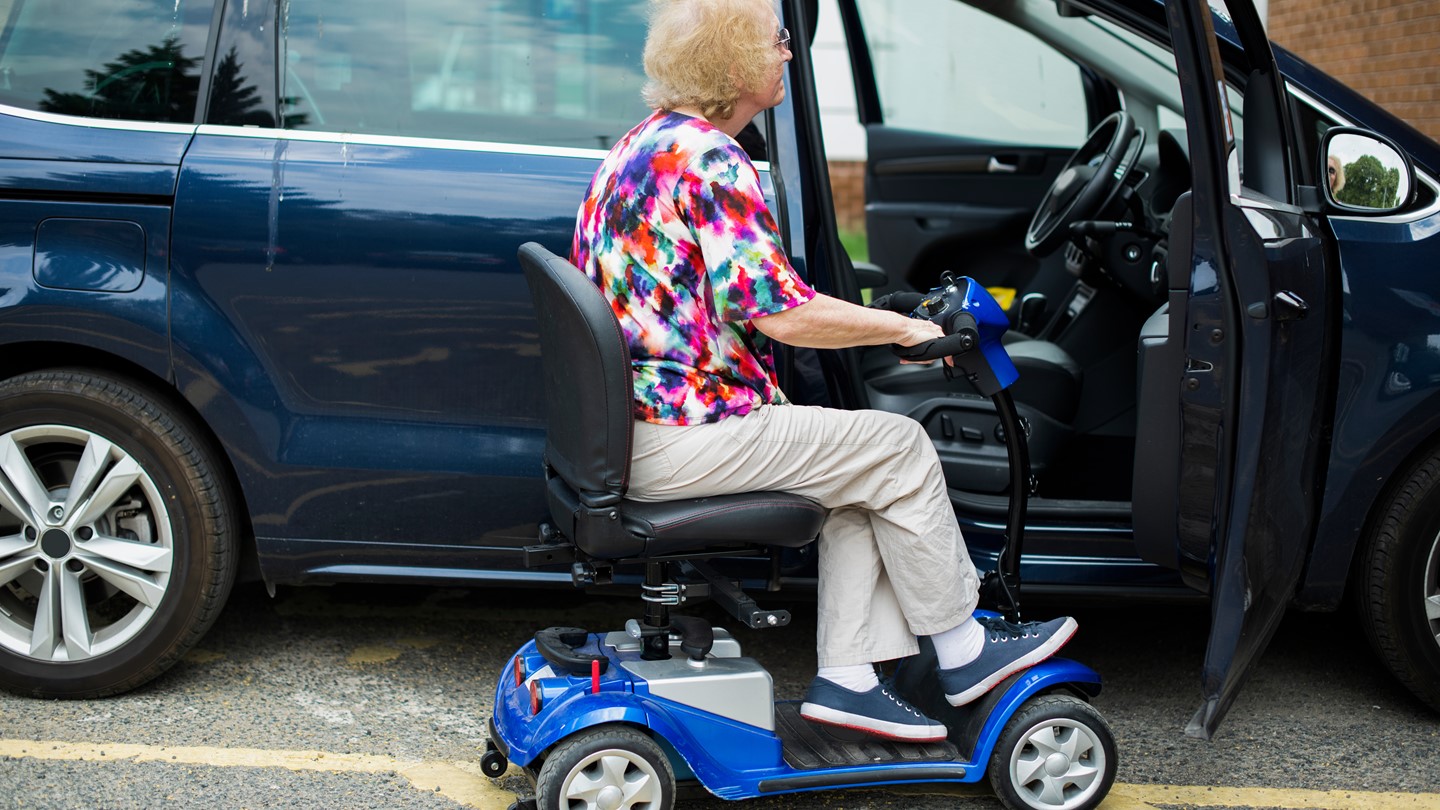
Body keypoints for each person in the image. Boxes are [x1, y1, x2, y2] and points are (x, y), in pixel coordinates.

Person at [569, 0, 1076, 743]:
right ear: (736, 65)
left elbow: (735, 298)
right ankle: (963, 651)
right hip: (684, 434)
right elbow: (779, 313)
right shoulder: (713, 159)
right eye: (778, 43)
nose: (788, 55)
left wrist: (874, 314)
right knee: (898, 447)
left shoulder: (644, 146)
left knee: (855, 475)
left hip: (640, 428)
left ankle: (849, 681)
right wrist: (905, 326)